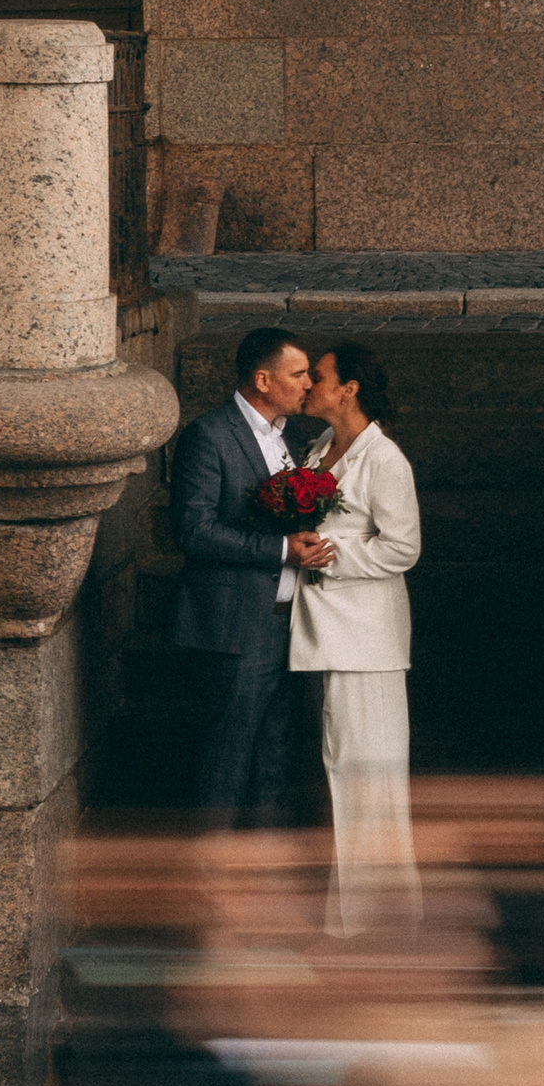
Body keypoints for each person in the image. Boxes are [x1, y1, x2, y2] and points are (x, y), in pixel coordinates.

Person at [288, 344, 421, 932]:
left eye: (317, 377)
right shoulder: (318, 448)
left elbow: (403, 547)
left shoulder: (384, 459)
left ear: (350, 389)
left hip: (366, 640)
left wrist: (330, 554)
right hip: (323, 631)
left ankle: (375, 921)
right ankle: (348, 915)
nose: (307, 385)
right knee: (339, 767)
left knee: (367, 774)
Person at [167, 326, 315, 827]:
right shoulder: (209, 435)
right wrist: (281, 548)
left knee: (276, 754)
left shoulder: (294, 438)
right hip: (233, 626)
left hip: (289, 622)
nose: (309, 383)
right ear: (262, 378)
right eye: (298, 374)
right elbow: (193, 530)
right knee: (227, 756)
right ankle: (210, 875)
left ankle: (262, 871)